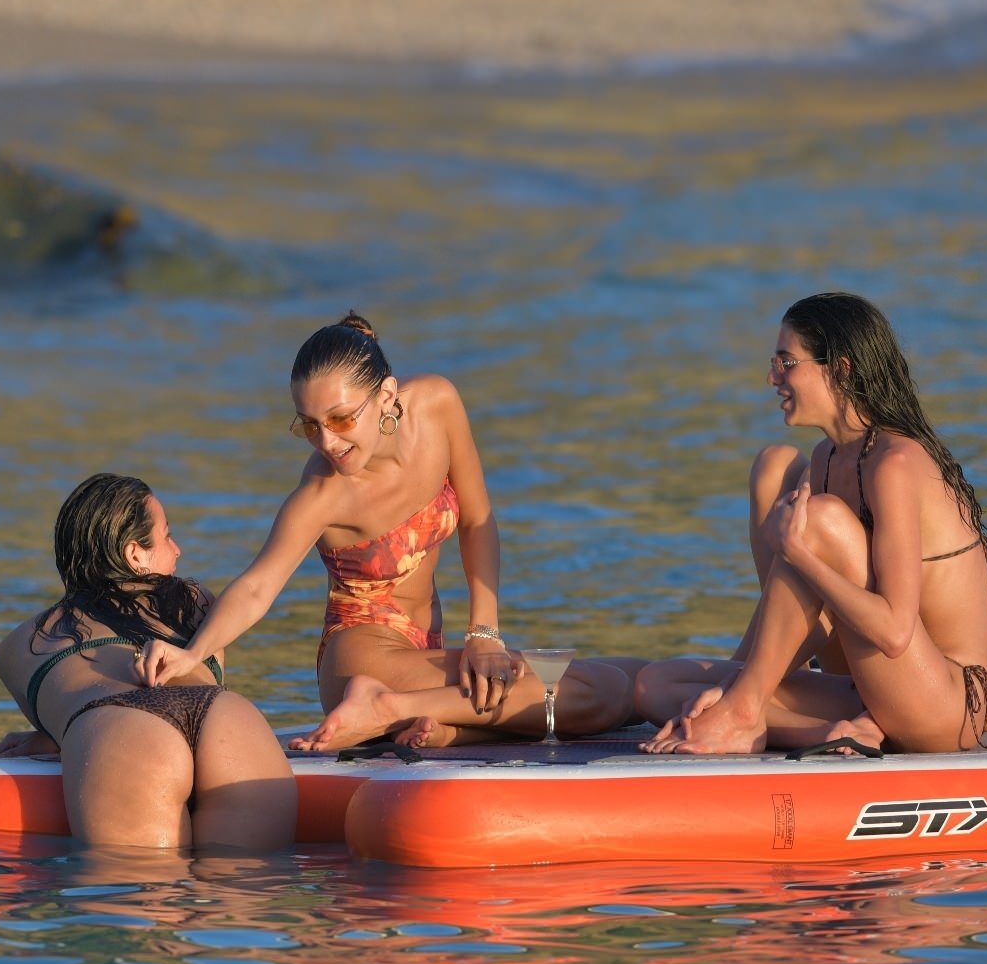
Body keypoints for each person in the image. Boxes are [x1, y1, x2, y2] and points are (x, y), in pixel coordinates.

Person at [137, 312, 633, 749]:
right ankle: (385, 709)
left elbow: (478, 520)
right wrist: (193, 653)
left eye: (341, 418)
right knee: (599, 695)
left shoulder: (437, 406)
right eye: (309, 425)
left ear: (387, 396)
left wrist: (484, 634)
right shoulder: (322, 493)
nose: (326, 441)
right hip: (363, 659)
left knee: (614, 683)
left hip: (429, 648)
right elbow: (258, 586)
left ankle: (445, 729)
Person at [636, 292, 987, 755]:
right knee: (658, 685)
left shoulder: (895, 463)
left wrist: (800, 554)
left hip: (945, 704)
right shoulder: (828, 458)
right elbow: (811, 613)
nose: (772, 378)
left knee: (816, 522)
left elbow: (892, 633)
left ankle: (747, 717)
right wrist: (736, 684)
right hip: (869, 690)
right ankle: (824, 733)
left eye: (788, 363)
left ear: (841, 369)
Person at [0, 473, 296, 850]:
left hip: (120, 726)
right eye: (167, 535)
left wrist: (63, 736)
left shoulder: (23, 642)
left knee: (142, 897)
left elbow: (61, 728)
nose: (178, 549)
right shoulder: (197, 600)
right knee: (243, 889)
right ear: (134, 554)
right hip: (225, 718)